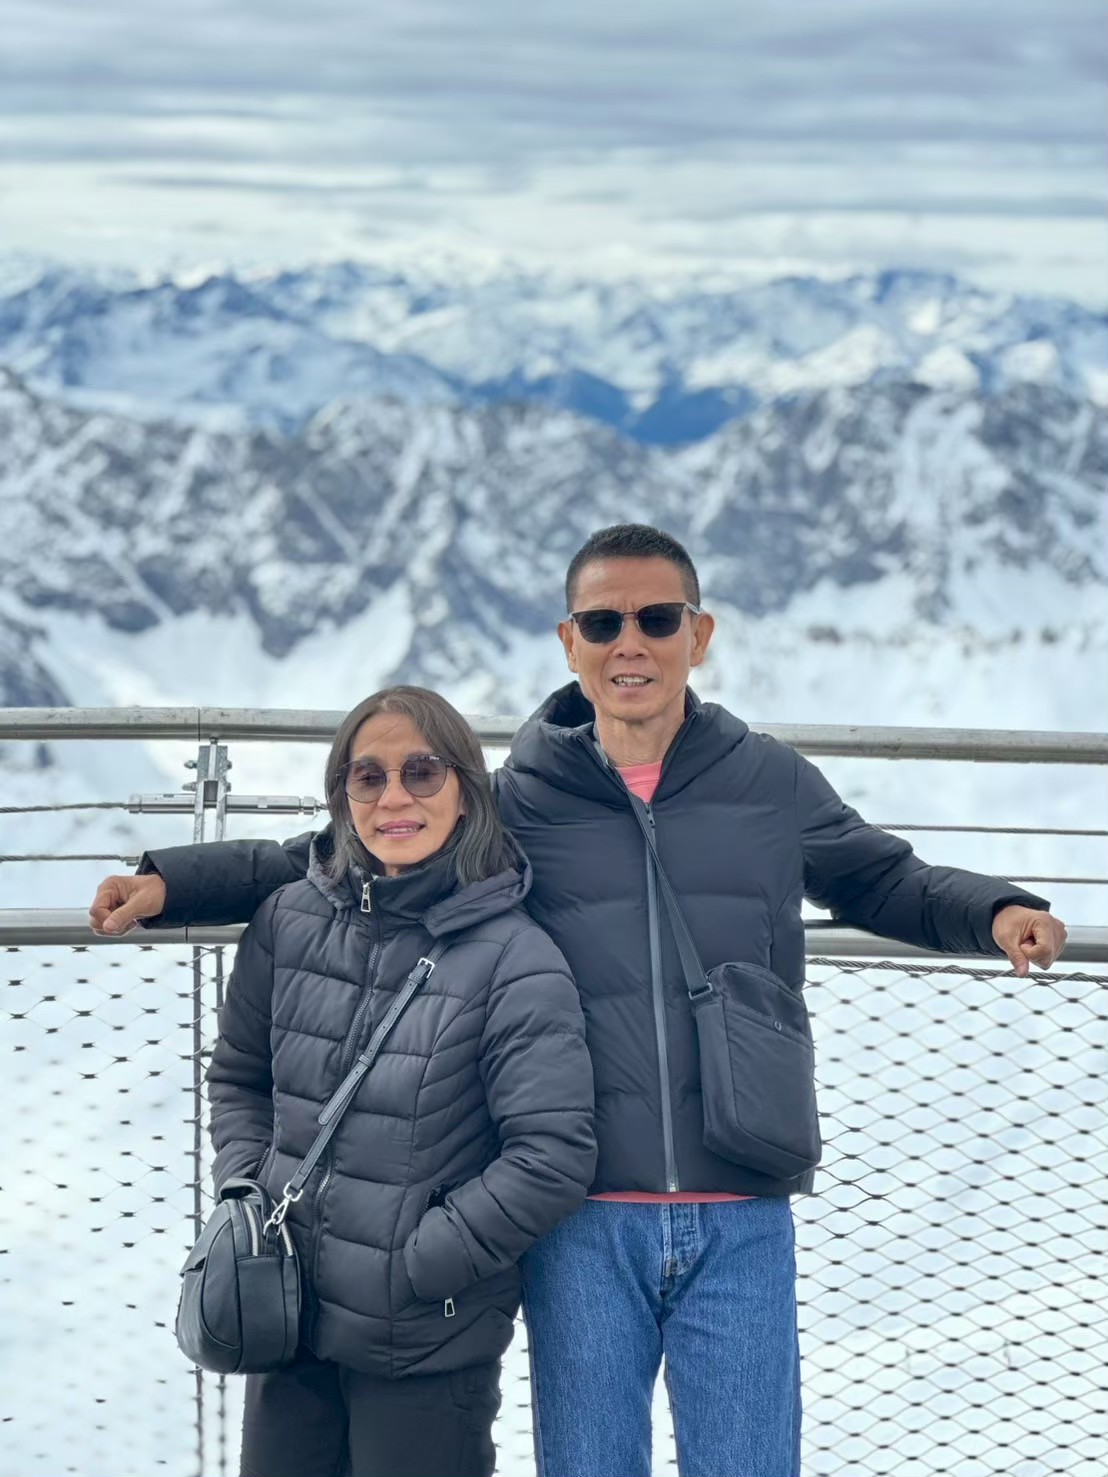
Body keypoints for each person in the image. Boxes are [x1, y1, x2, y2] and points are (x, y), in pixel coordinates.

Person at [91, 524, 1068, 1477]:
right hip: (583, 1217)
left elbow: (883, 879)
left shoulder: (769, 781)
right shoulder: (523, 794)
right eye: (602, 623)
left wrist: (996, 911)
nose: (628, 643)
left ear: (699, 633)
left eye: (656, 618)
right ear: (569, 641)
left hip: (741, 1202)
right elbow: (334, 857)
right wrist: (170, 883)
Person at [167, 685, 596, 1477]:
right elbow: (239, 1077)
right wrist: (250, 1193)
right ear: (342, 797)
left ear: (465, 789)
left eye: (421, 772)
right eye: (369, 776)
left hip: (423, 1344)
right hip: (289, 1317)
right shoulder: (288, 921)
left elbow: (552, 1154)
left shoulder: (515, 959)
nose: (394, 797)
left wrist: (421, 1260)